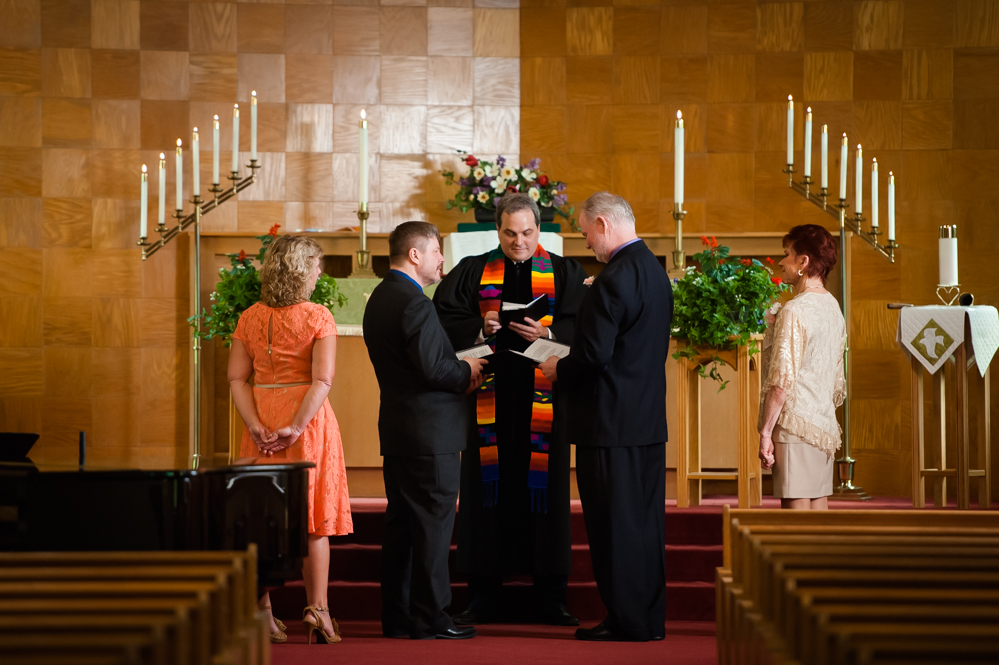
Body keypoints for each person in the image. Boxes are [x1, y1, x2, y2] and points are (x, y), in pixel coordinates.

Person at [433, 193, 588, 626]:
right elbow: (443, 318)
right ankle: (483, 593)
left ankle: (551, 595)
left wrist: (549, 328)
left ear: (539, 230)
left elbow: (585, 328)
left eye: (526, 232)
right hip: (491, 401)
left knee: (546, 494)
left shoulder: (564, 272)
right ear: (497, 230)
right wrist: (477, 325)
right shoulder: (474, 270)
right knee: (487, 492)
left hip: (544, 402)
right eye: (509, 233)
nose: (518, 242)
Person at [539, 192, 673, 642]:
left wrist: (559, 367)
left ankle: (625, 619)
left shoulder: (613, 277)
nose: (586, 243)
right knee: (644, 524)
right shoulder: (655, 270)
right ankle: (646, 619)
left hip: (609, 424)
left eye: (584, 233)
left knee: (614, 527)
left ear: (602, 224)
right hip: (646, 421)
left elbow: (592, 357)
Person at [362, 221, 488, 640]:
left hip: (399, 429)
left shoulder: (381, 296)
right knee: (432, 528)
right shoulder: (415, 302)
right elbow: (435, 368)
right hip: (430, 433)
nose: (441, 260)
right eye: (436, 251)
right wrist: (467, 369)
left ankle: (397, 616)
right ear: (414, 255)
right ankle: (431, 617)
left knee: (401, 527)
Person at [228, 235, 353, 645]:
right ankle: (318, 612)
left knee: (261, 518)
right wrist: (297, 427)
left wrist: (252, 425)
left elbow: (236, 378)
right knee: (312, 521)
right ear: (303, 270)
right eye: (317, 265)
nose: (320, 273)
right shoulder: (317, 316)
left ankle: (262, 612)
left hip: (261, 418)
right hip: (307, 420)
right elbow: (323, 379)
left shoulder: (248, 317)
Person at [757, 224, 846, 510]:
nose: (782, 262)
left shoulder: (795, 310)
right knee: (817, 527)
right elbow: (836, 380)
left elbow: (781, 381)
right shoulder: (833, 308)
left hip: (795, 430)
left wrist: (765, 431)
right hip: (823, 428)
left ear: (803, 262)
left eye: (787, 254)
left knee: (794, 527)